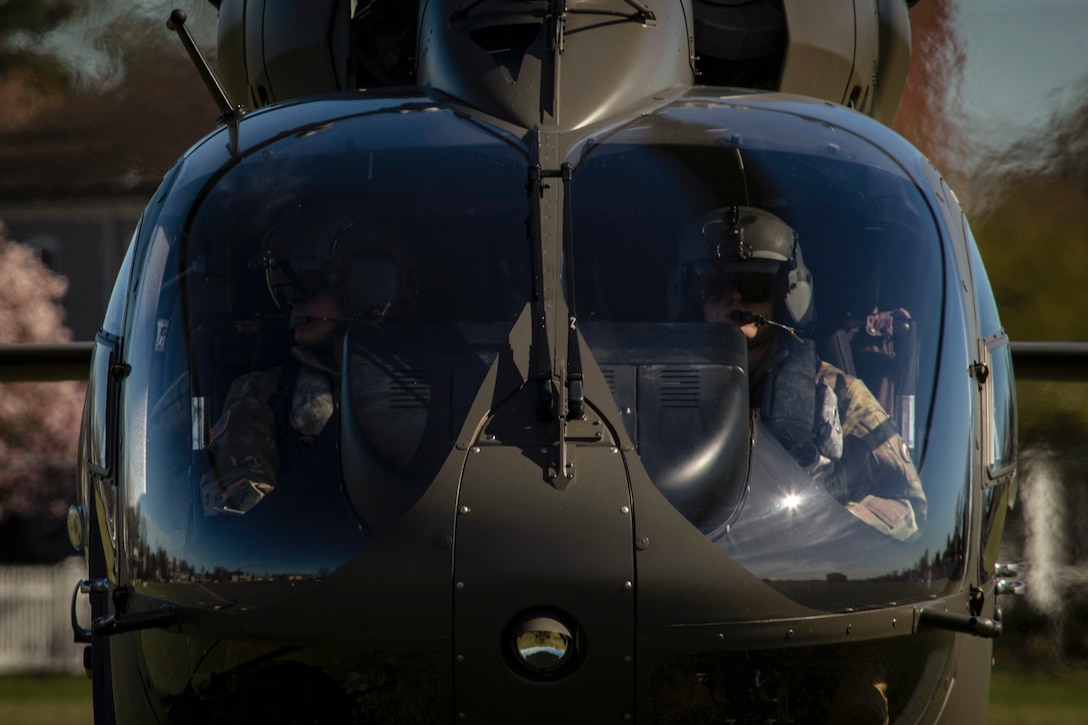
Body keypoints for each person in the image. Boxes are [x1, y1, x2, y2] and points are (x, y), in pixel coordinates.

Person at [679, 205, 926, 542]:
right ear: (694, 298)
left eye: (754, 283)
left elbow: (907, 507)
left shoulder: (836, 393)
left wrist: (825, 526)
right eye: (715, 285)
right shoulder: (657, 388)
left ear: (788, 293)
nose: (735, 297)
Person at [200, 209, 392, 515]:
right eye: (283, 289)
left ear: (362, 289)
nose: (292, 302)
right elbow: (245, 518)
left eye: (306, 287)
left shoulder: (419, 383)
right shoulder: (262, 394)